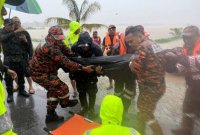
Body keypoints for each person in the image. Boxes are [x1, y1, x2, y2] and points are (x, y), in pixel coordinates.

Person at [29, 26, 94, 123]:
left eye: (60, 37)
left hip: (47, 71)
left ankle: (50, 115)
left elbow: (65, 49)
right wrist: (82, 67)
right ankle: (65, 103)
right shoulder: (49, 47)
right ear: (51, 36)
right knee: (62, 87)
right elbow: (65, 62)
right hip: (39, 73)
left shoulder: (55, 41)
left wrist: (76, 56)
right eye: (58, 38)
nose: (60, 40)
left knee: (53, 91)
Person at [125, 26, 165, 135]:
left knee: (146, 113)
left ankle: (158, 132)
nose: (130, 44)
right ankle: (140, 129)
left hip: (149, 87)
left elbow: (135, 67)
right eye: (128, 43)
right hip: (159, 84)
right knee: (143, 109)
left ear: (139, 36)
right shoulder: (154, 43)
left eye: (131, 41)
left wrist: (131, 62)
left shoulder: (142, 47)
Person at [167, 26, 200, 135]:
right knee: (187, 107)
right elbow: (182, 66)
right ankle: (186, 129)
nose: (186, 40)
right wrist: (171, 67)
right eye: (184, 37)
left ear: (197, 36)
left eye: (189, 37)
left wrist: (176, 58)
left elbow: (196, 61)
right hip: (192, 85)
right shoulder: (186, 47)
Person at [71, 32, 103, 118]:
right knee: (81, 92)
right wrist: (72, 75)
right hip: (79, 73)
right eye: (81, 46)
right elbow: (71, 62)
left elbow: (101, 63)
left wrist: (97, 70)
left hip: (91, 74)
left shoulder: (97, 49)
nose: (84, 48)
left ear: (90, 43)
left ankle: (91, 108)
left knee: (92, 92)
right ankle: (84, 107)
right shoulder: (74, 47)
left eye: (85, 46)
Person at [0, 18, 30, 103]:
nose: (12, 26)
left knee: (21, 75)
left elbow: (25, 46)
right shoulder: (2, 32)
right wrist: (14, 32)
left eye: (12, 25)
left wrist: (25, 41)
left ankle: (22, 90)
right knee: (8, 78)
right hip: (8, 58)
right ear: (5, 26)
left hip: (19, 57)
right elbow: (2, 39)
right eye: (9, 25)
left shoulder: (18, 32)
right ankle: (10, 94)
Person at [12, 16, 35, 94]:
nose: (16, 23)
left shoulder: (25, 32)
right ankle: (18, 85)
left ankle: (31, 86)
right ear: (12, 23)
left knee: (27, 72)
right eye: (14, 22)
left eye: (18, 22)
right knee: (14, 72)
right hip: (13, 56)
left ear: (20, 23)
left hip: (23, 56)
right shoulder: (9, 33)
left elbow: (30, 46)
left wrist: (25, 41)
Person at [102, 25, 126, 90]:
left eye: (113, 29)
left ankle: (116, 84)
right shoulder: (105, 38)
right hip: (109, 58)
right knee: (109, 72)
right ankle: (110, 85)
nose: (112, 30)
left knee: (117, 72)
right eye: (110, 29)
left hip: (117, 58)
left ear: (115, 30)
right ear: (108, 30)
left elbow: (123, 46)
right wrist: (101, 55)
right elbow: (103, 47)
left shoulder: (119, 37)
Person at [64, 21, 82, 98]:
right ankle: (75, 90)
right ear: (75, 28)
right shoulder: (67, 38)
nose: (80, 29)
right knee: (72, 77)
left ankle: (81, 89)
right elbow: (64, 49)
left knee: (82, 74)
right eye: (78, 28)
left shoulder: (80, 36)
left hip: (81, 59)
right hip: (71, 60)